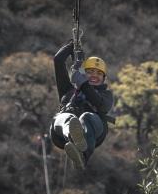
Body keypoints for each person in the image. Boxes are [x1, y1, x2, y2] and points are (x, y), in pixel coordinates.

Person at [49, 40, 114, 169]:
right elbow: (58, 61)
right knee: (67, 117)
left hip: (93, 132)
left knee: (86, 117)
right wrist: (72, 46)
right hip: (61, 133)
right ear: (84, 73)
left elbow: (101, 105)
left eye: (99, 73)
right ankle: (73, 137)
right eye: (90, 72)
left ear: (104, 78)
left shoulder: (106, 95)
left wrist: (83, 84)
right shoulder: (68, 90)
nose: (94, 76)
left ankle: (83, 156)